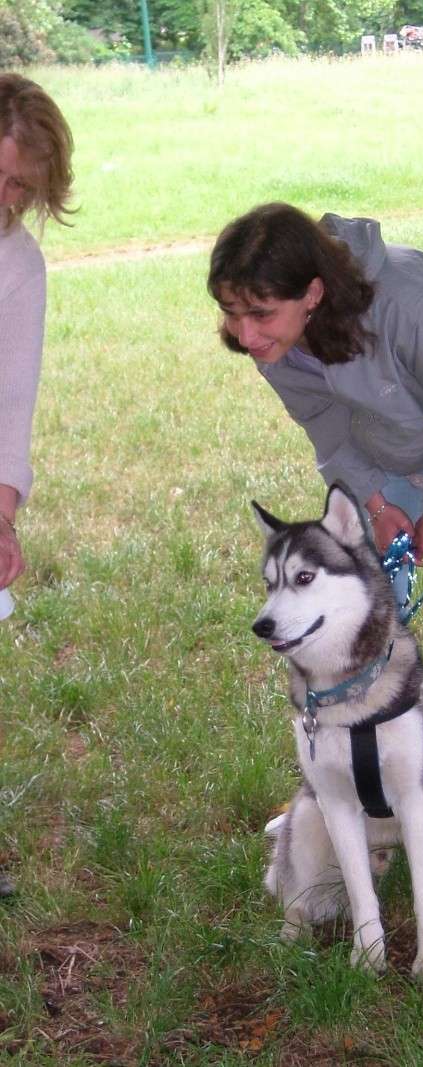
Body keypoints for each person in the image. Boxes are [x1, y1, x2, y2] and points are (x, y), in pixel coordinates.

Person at [208, 203, 423, 873]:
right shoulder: (273, 339)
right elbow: (327, 425)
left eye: (260, 315)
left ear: (314, 294)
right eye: (232, 313)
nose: (245, 334)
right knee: (364, 622)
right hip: (381, 445)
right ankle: (351, 795)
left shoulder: (412, 306)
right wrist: (378, 503)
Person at [0, 74, 74, 897]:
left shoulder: (17, 263)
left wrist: (4, 519)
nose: (5, 196)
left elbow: (12, 399)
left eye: (23, 185)